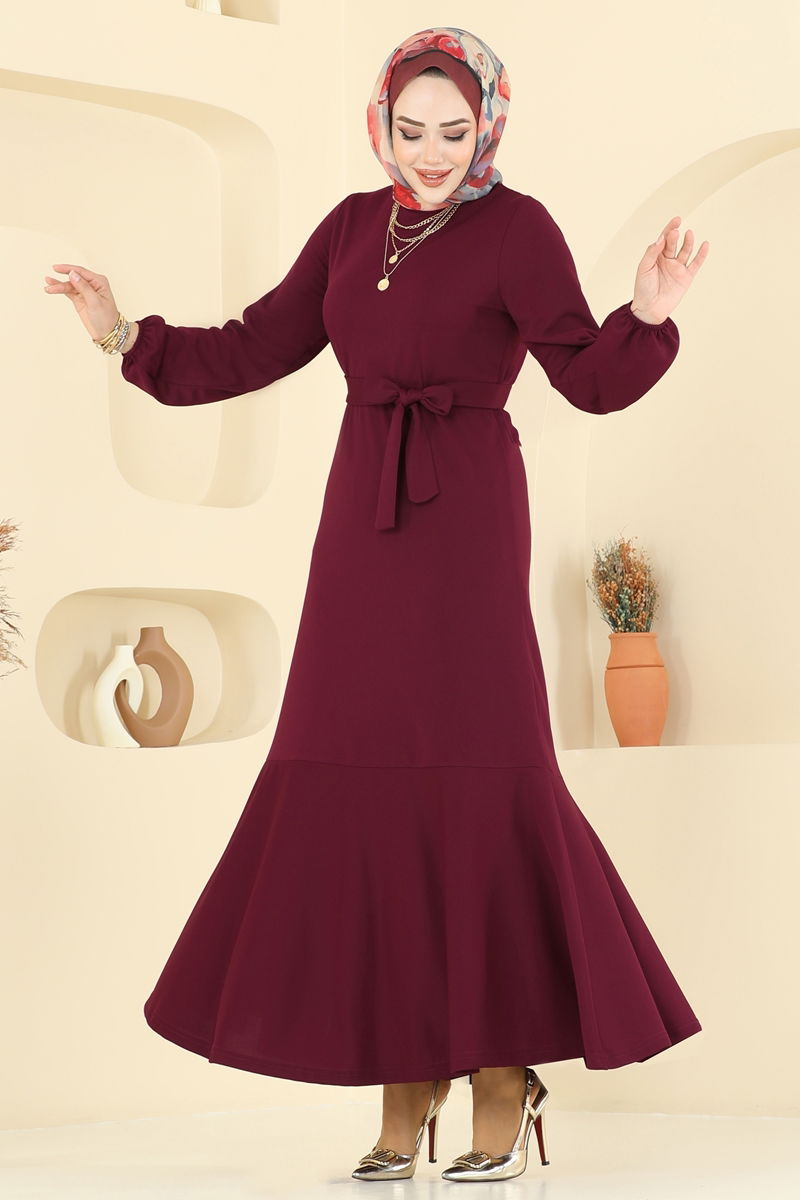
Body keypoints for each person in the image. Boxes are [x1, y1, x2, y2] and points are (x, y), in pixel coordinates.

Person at [44, 24, 709, 1186]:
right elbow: (250, 347)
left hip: (466, 519)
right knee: (354, 776)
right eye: (411, 130)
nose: (432, 152)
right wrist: (119, 333)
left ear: (487, 126)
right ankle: (407, 1074)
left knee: (482, 774)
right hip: (360, 522)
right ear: (381, 125)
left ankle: (497, 1069)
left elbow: (588, 379)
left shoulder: (518, 229)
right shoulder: (353, 228)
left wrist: (646, 312)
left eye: (454, 130)